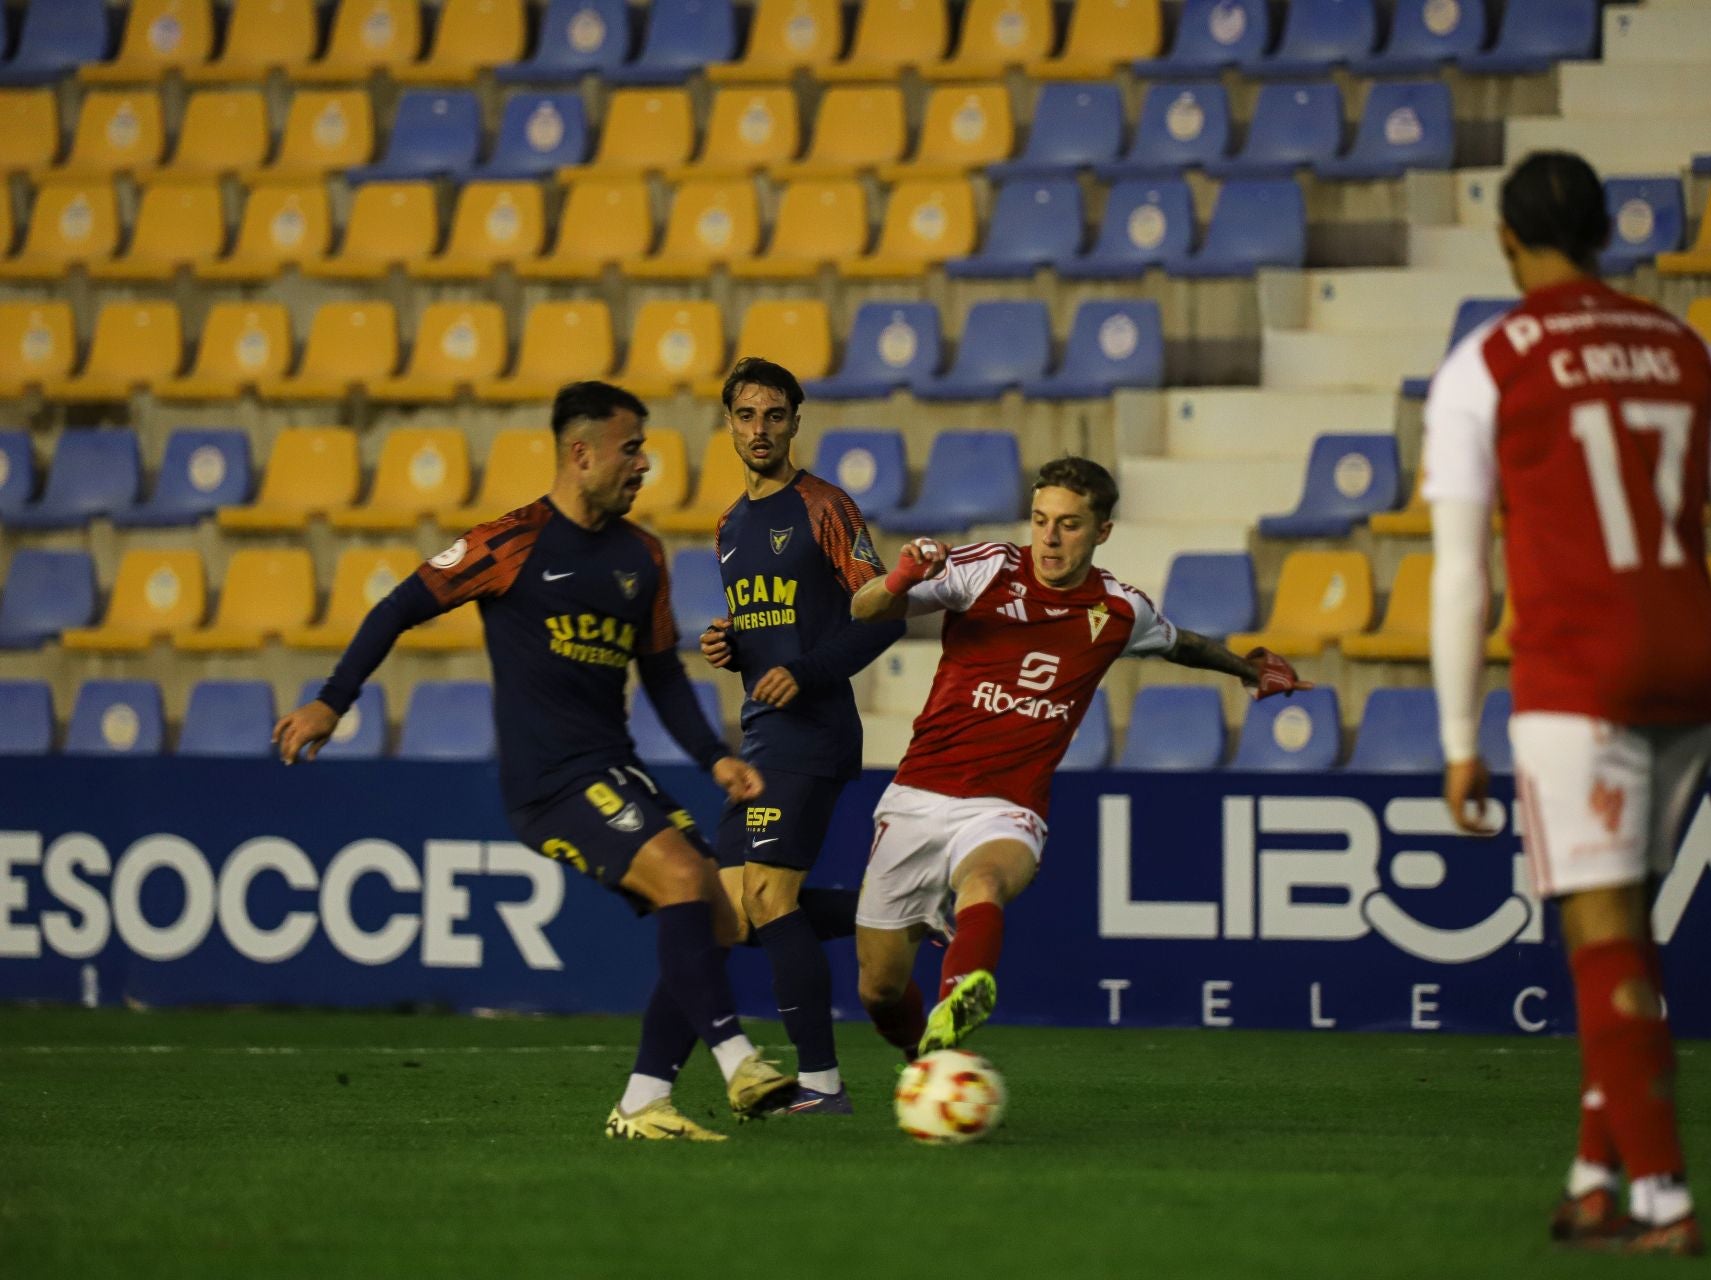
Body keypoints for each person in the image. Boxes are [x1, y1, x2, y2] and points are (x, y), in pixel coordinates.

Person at [1422, 152, 1711, 1255]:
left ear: (1507, 240)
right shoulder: (1687, 350)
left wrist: (1459, 739)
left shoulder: (1486, 360)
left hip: (1578, 675)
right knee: (1631, 928)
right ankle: (1596, 1174)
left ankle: (1663, 1193)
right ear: (1605, 232)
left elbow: (1464, 571)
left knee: (1599, 935)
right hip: (1695, 669)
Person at [272, 380, 799, 1143]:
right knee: (686, 878)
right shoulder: (509, 542)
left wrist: (715, 757)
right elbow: (398, 608)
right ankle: (738, 1059)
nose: (643, 465)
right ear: (580, 455)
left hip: (615, 770)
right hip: (549, 784)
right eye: (630, 449)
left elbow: (661, 675)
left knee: (717, 914)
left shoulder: (642, 556)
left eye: (643, 450)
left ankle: (645, 1103)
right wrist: (332, 700)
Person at [848, 456, 1312, 1059]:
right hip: (918, 796)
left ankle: (962, 997)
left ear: (1102, 532)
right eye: (1040, 520)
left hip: (1005, 806)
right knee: (879, 990)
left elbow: (1181, 644)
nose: (1049, 537)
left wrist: (1250, 669)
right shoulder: (986, 569)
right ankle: (923, 1060)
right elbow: (863, 611)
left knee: (984, 880)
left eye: (1068, 524)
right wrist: (901, 577)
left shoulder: (1119, 611)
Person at [695, 357, 905, 1114]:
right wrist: (733, 648)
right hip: (761, 734)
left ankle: (822, 1085)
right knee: (733, 912)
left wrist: (807, 674)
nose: (760, 430)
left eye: (774, 415)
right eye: (747, 415)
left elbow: (883, 617)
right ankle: (893, 911)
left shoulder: (824, 507)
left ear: (794, 423)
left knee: (768, 895)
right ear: (729, 423)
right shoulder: (728, 526)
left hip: (812, 731)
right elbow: (771, 633)